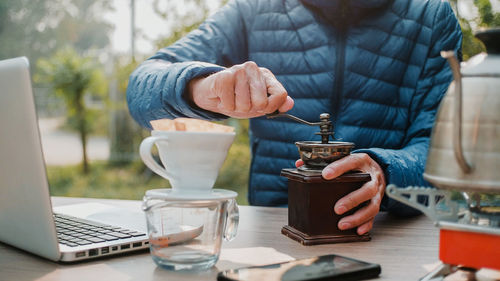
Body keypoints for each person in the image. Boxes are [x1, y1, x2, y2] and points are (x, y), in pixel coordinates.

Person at [127, 0, 462, 235]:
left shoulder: (431, 16)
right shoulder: (252, 10)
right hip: (271, 240)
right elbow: (141, 91)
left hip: (392, 237)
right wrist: (202, 87)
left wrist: (385, 170)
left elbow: (442, 156)